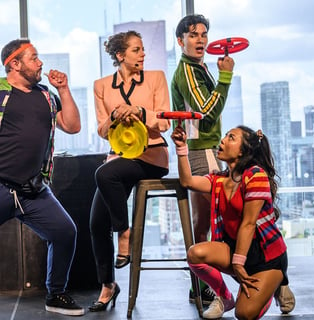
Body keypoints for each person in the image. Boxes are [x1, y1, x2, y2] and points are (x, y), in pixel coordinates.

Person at [171, 124, 295, 319]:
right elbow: (187, 182)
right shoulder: (219, 180)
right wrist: (181, 147)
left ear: (243, 151)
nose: (223, 140)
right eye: (226, 136)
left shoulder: (256, 176)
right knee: (195, 254)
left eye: (231, 137)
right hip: (237, 249)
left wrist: (238, 265)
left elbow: (249, 223)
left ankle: (274, 285)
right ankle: (225, 297)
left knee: (244, 314)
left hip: (265, 257)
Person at [0, 39, 84, 316]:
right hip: (1, 187)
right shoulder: (1, 93)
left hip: (33, 190)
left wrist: (64, 89)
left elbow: (72, 126)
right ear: (15, 64)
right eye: (34, 58)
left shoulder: (46, 95)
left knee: (65, 232)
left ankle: (56, 294)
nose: (40, 64)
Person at [88, 30, 170, 312]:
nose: (143, 54)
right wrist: (114, 115)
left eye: (143, 49)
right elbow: (101, 130)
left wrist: (138, 111)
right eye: (136, 50)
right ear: (120, 55)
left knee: (103, 174)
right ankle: (108, 286)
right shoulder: (101, 86)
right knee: (97, 223)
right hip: (120, 157)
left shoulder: (156, 77)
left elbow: (165, 121)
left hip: (152, 155)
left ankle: (125, 233)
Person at [171, 13, 235, 305]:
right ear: (180, 40)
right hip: (200, 149)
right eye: (193, 35)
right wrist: (225, 76)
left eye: (204, 35)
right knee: (211, 216)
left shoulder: (198, 67)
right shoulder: (187, 71)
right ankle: (209, 283)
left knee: (203, 220)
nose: (200, 40)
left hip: (206, 148)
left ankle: (200, 284)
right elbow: (207, 110)